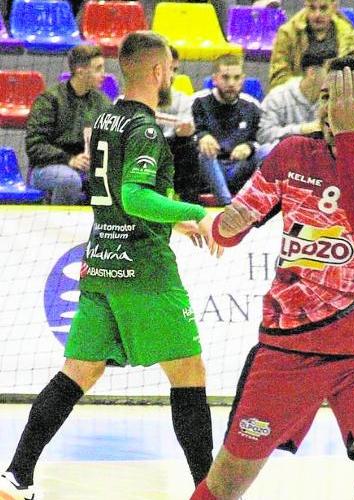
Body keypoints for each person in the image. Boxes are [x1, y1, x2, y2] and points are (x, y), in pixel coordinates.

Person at [190, 56, 354, 500]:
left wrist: (345, 141)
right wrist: (225, 222)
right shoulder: (292, 154)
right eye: (324, 97)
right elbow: (234, 225)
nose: (330, 109)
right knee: (224, 485)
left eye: (343, 100)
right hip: (285, 353)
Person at [0, 31, 221, 500]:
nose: (172, 76)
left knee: (80, 369)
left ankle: (16, 477)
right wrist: (194, 213)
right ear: (159, 71)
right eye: (171, 69)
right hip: (143, 267)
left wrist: (171, 222)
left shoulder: (105, 119)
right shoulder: (143, 129)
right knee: (189, 373)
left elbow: (120, 193)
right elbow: (135, 196)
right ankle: (211, 492)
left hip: (101, 260)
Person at [26, 44, 110, 205]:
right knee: (69, 180)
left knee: (114, 182)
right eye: (98, 68)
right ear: (80, 71)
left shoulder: (102, 102)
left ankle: (101, 229)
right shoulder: (49, 100)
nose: (103, 74)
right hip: (48, 167)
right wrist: (69, 159)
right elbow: (34, 146)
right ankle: (56, 228)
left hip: (87, 167)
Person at [192, 54, 261, 206]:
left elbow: (260, 140)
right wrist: (201, 136)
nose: (231, 83)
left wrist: (249, 146)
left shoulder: (252, 106)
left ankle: (259, 203)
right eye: (225, 77)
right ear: (214, 79)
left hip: (238, 167)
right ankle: (228, 205)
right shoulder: (198, 102)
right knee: (205, 153)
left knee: (268, 151)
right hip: (208, 169)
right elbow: (184, 137)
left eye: (236, 78)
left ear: (243, 79)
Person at [257, 49, 334, 159]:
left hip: (318, 156)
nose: (335, 77)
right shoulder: (278, 96)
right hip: (283, 154)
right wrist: (301, 130)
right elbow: (263, 135)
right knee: (266, 150)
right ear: (312, 73)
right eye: (329, 71)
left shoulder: (333, 100)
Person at [268, 0, 354, 89]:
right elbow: (278, 78)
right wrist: (305, 87)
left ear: (334, 7)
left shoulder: (349, 35)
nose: (317, 15)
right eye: (312, 8)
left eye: (323, 8)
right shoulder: (287, 34)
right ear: (305, 6)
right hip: (296, 97)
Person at [156, 46, 201, 203]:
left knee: (188, 144)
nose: (173, 75)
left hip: (171, 152)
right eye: (169, 69)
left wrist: (185, 132)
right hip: (142, 153)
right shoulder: (130, 99)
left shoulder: (183, 99)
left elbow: (186, 127)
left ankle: (189, 206)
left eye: (175, 69)